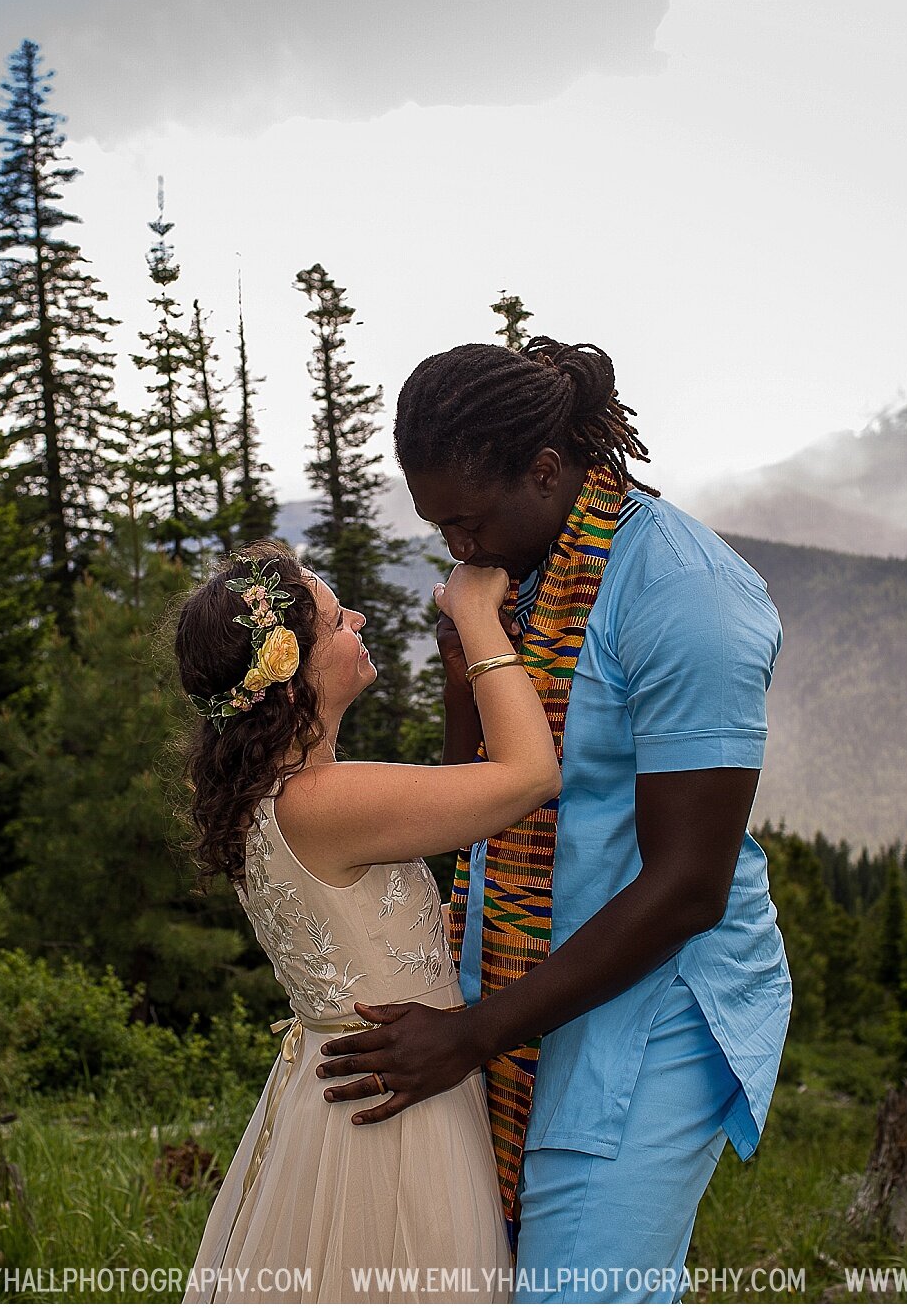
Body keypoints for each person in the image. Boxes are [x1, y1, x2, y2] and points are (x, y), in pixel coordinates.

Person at [313, 337, 792, 1304]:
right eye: (437, 524)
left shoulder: (687, 596)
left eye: (469, 519)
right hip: (529, 972)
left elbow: (690, 883)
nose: (458, 547)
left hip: (655, 1006)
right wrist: (466, 669)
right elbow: (480, 804)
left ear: (547, 470)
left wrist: (474, 1033)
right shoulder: (525, 578)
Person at [175, 541, 559, 1303]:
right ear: (292, 670)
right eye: (333, 616)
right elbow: (530, 776)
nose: (355, 618)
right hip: (398, 1115)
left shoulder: (279, 798)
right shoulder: (321, 801)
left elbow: (454, 822)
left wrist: (458, 693)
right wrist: (480, 617)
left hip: (345, 1089)